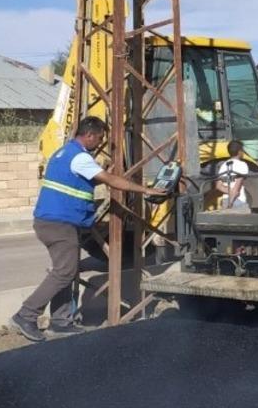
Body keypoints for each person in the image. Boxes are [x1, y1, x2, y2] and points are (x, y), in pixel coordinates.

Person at [10, 116, 167, 342]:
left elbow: (80, 181)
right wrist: (146, 190)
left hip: (54, 222)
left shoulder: (64, 153)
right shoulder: (80, 157)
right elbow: (112, 181)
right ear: (89, 135)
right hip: (59, 224)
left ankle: (61, 321)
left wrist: (101, 176)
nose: (100, 142)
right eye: (100, 138)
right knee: (64, 271)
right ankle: (26, 315)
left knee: (68, 270)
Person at [213, 139, 250, 210]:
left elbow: (218, 186)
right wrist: (230, 204)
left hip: (225, 200)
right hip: (237, 201)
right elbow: (237, 186)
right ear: (239, 152)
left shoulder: (224, 165)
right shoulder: (242, 165)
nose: (243, 153)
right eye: (243, 150)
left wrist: (229, 191)